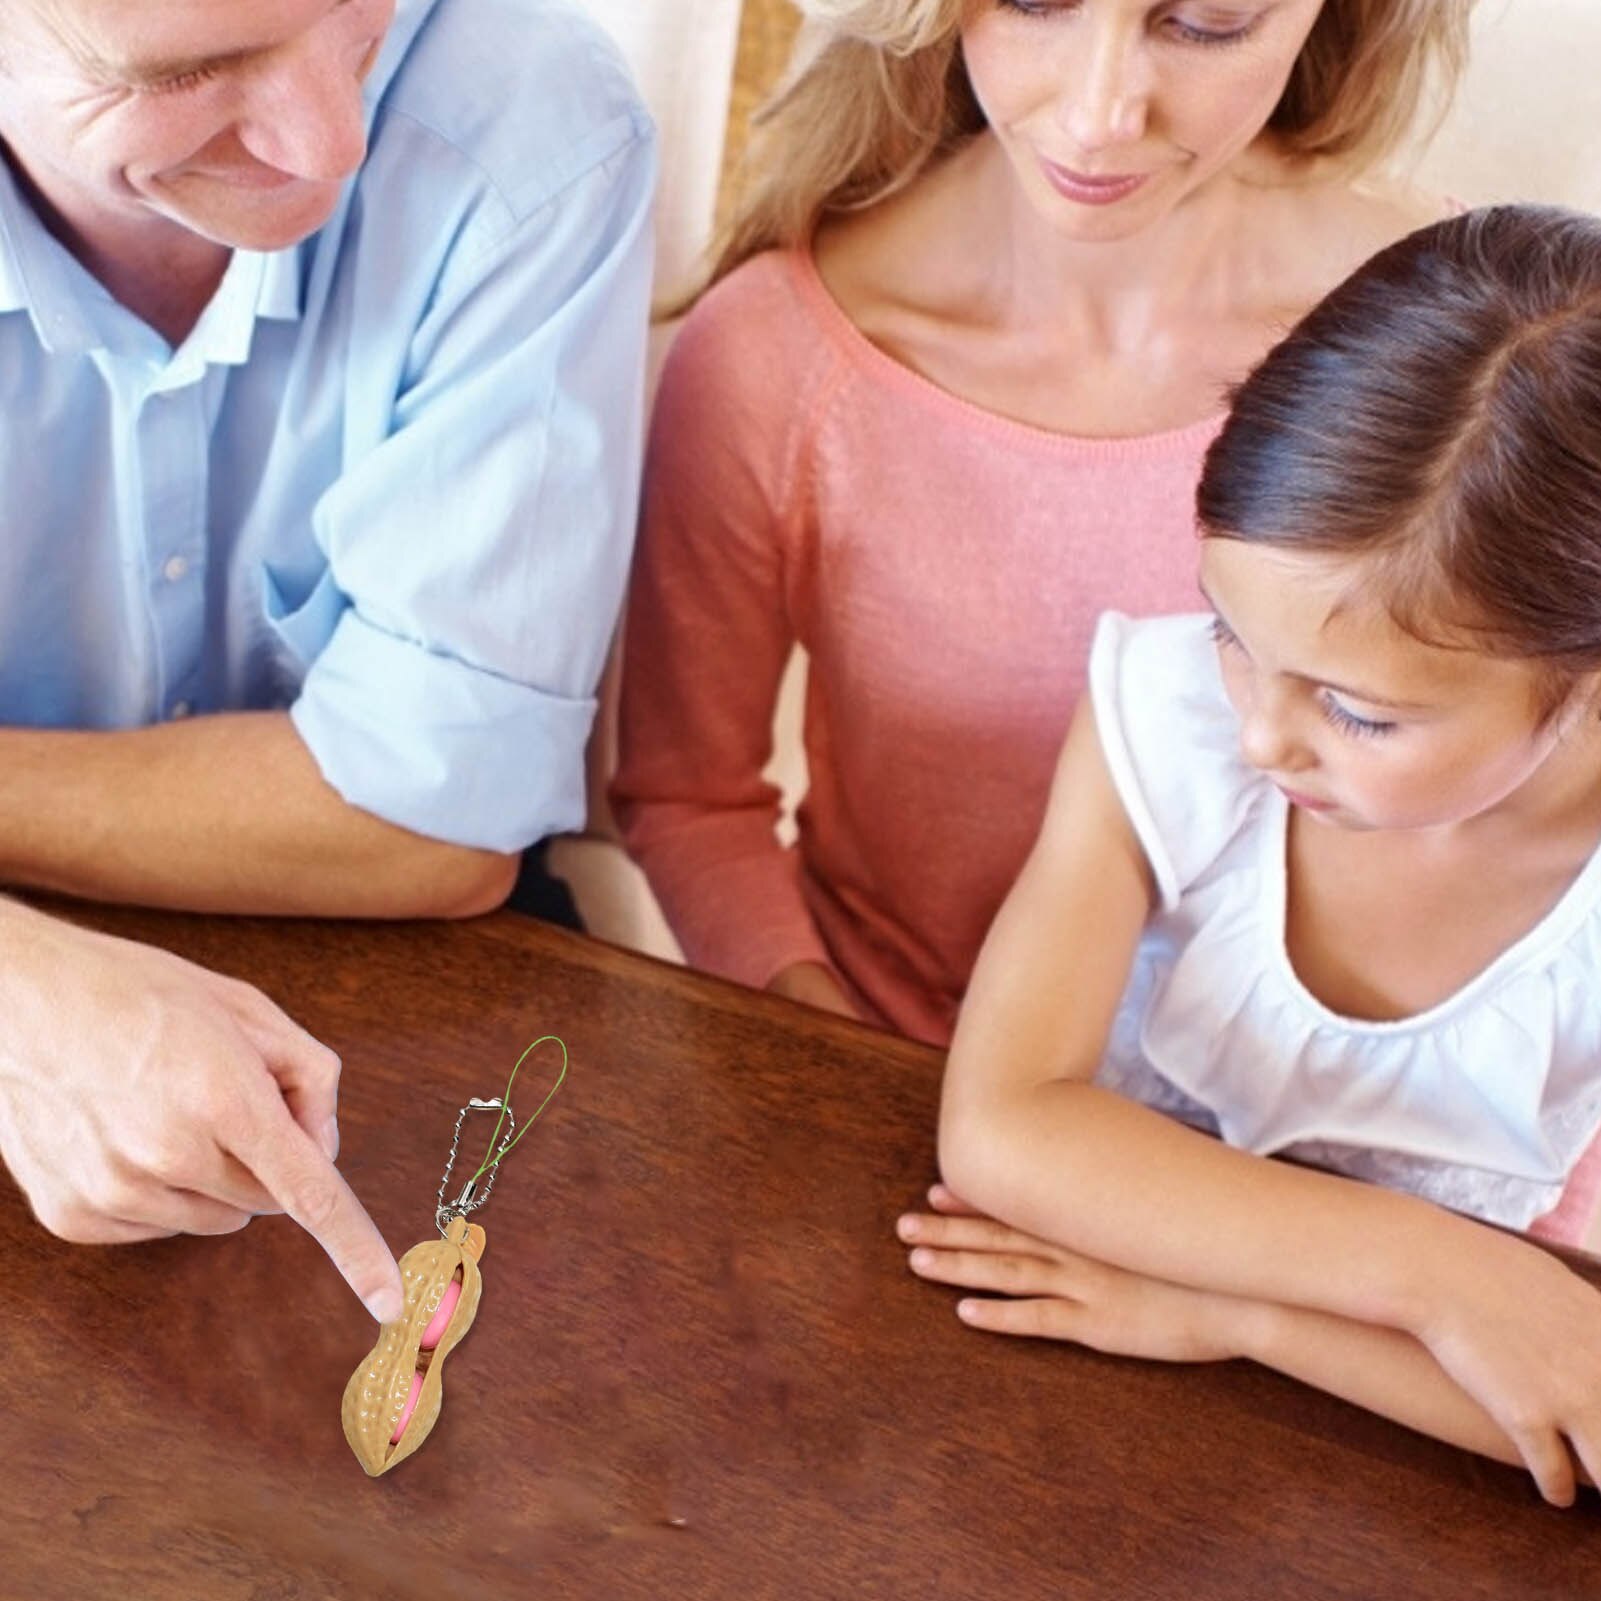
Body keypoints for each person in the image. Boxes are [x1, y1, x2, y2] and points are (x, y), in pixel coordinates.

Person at [902, 205, 1601, 1506]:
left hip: (1366, 1497)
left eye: (1357, 711)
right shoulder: (1167, 721)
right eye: (1232, 631)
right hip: (1035, 1419)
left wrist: (1237, 1313)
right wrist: (1452, 1279)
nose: (1261, 734)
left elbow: (1565, 1392)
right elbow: (1002, 1130)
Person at [611, 0, 1472, 1046]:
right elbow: (689, 801)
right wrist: (839, 1066)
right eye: (1031, 1)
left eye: (1204, 22)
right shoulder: (779, 355)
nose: (1099, 113)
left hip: (1307, 1140)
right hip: (896, 1083)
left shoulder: (1474, 360)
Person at [0, 0, 654, 1322]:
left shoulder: (535, 116)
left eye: (364, 20)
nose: (335, 143)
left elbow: (432, 824)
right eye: (189, 70)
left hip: (412, 993)